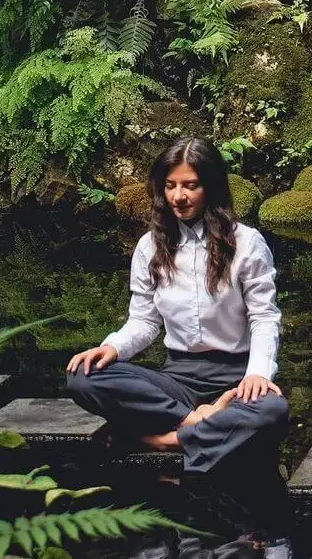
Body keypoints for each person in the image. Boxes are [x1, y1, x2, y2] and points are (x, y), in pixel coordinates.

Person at [66, 136, 289, 491]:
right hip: (178, 382)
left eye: (190, 185)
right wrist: (113, 347)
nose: (178, 197)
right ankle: (198, 424)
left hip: (235, 379)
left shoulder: (246, 243)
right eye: (170, 186)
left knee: (272, 411)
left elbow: (264, 316)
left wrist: (258, 373)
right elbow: (144, 320)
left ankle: (163, 441)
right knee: (83, 376)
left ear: (211, 188)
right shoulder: (149, 247)